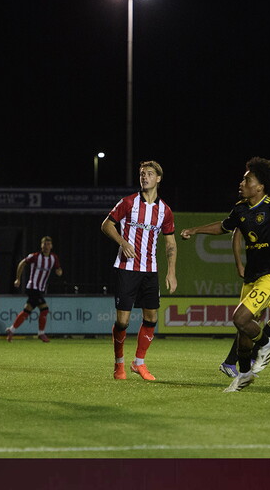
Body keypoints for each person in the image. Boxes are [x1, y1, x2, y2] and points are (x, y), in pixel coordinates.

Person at [181, 157, 270, 392]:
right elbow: (224, 227)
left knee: (240, 319)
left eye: (247, 179)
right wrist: (196, 230)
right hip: (253, 276)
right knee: (245, 328)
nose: (241, 182)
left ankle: (265, 343)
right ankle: (243, 374)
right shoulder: (241, 208)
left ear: (260, 186)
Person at [100, 160, 178, 381]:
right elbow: (106, 224)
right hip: (126, 268)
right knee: (123, 321)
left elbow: (170, 244)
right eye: (142, 173)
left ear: (158, 178)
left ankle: (139, 363)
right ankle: (119, 364)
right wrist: (122, 242)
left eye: (149, 174)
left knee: (151, 317)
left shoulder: (165, 211)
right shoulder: (128, 203)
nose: (144, 177)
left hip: (150, 270)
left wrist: (171, 272)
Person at [218, 167, 270, 379]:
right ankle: (248, 356)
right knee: (246, 319)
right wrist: (239, 263)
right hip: (263, 273)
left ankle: (242, 360)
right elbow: (236, 233)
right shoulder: (252, 206)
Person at [7, 236, 63, 343]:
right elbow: (22, 263)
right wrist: (18, 279)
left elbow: (58, 269)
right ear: (41, 245)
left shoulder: (53, 258)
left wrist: (59, 272)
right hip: (33, 288)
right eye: (44, 244)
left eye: (48, 244)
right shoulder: (35, 256)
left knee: (27, 311)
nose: (46, 246)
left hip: (40, 289)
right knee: (45, 309)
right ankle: (41, 333)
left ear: (51, 246)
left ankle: (11, 330)